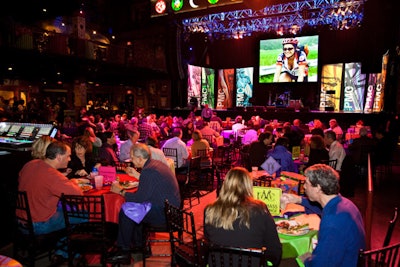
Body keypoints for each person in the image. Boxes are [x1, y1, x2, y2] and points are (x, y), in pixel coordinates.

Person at [107, 143, 181, 263]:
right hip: (172, 209)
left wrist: (120, 191)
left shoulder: (149, 171)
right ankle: (140, 246)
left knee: (126, 210)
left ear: (140, 159)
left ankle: (124, 251)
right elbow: (151, 184)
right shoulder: (156, 164)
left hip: (165, 213)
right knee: (134, 210)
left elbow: (139, 198)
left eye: (132, 157)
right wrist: (137, 175)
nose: (131, 160)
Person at [280, 164, 366, 266]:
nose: (304, 186)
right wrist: (298, 199)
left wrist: (306, 259)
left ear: (318, 188)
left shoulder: (332, 222)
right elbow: (322, 209)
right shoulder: (344, 203)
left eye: (306, 183)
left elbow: (321, 264)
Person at [204, 167, 282, 266]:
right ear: (249, 185)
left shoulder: (209, 210)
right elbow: (275, 251)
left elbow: (208, 241)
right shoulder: (260, 209)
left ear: (225, 185)